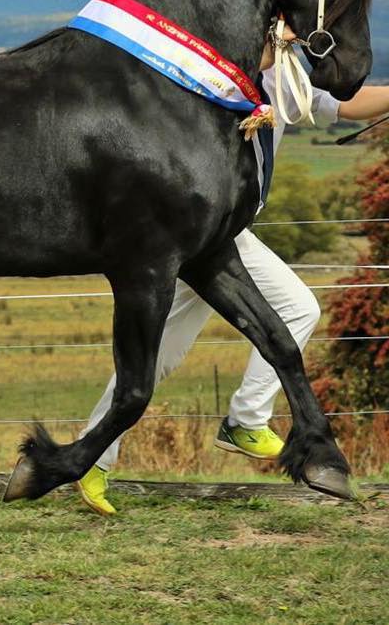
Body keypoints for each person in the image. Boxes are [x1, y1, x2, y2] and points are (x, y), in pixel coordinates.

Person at [77, 27, 389, 516]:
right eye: (280, 24)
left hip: (217, 233)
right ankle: (245, 420)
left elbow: (342, 108)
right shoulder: (216, 73)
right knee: (297, 306)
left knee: (157, 354)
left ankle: (91, 457)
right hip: (211, 230)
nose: (290, 33)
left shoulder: (283, 77)